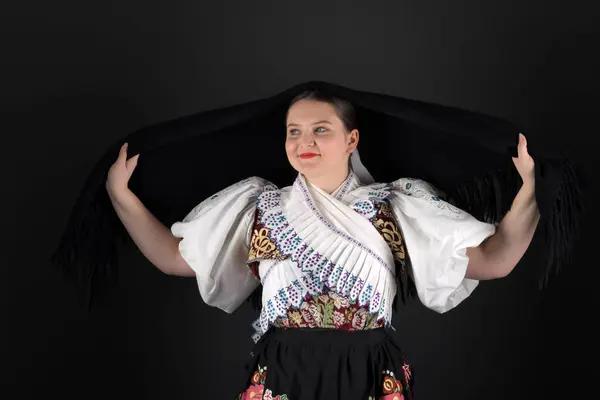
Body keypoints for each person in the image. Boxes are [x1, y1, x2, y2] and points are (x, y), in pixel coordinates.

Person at [104, 89, 540, 400]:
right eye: (294, 131)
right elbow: (173, 258)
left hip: (369, 370)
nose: (304, 142)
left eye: (320, 129)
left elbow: (493, 260)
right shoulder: (261, 205)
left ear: (352, 139)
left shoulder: (395, 205)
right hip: (282, 367)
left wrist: (531, 191)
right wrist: (121, 196)